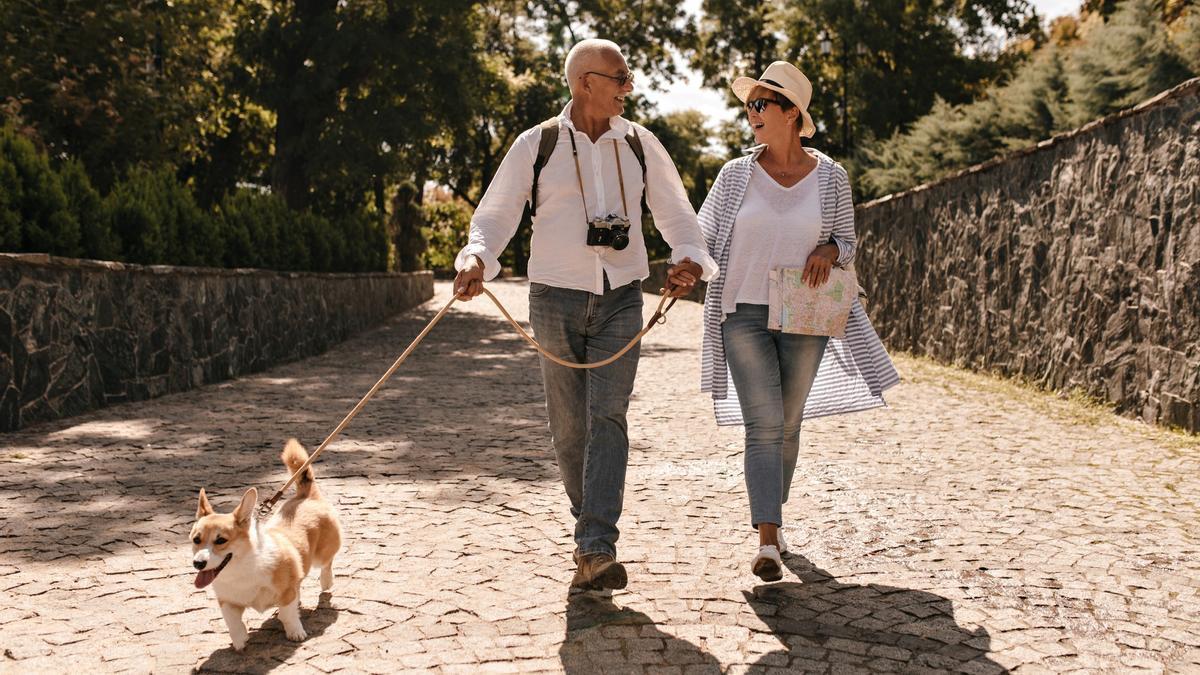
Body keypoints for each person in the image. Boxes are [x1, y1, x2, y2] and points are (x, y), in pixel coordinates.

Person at [453, 38, 718, 591]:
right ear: (585, 83)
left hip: (622, 295)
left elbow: (676, 212)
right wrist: (477, 258)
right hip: (554, 297)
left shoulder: (641, 143)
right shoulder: (538, 143)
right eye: (620, 77)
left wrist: (689, 258)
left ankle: (597, 544)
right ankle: (588, 530)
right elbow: (497, 212)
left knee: (609, 417)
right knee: (569, 427)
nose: (629, 87)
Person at [696, 61, 900, 582]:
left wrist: (830, 250)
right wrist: (684, 268)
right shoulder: (734, 174)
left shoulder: (831, 177)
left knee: (787, 424)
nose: (751, 113)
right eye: (749, 105)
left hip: (805, 310)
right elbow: (701, 234)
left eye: (761, 104)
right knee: (764, 425)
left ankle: (773, 511)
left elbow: (848, 242)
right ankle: (767, 539)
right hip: (742, 310)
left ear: (792, 113)